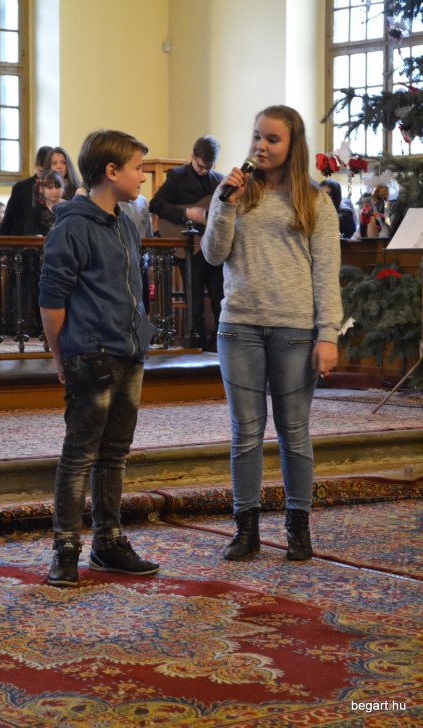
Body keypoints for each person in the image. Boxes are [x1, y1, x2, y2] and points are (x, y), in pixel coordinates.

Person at [201, 105, 342, 562]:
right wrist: (225, 205)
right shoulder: (235, 191)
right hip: (239, 326)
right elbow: (212, 254)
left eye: (272, 139)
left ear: (292, 145)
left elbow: (326, 274)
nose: (261, 146)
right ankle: (246, 529)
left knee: (294, 432)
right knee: (245, 432)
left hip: (295, 330)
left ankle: (298, 527)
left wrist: (328, 334)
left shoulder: (315, 201)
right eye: (257, 136)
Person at [39, 129, 158, 587]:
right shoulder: (72, 225)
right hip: (91, 356)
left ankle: (107, 543)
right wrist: (60, 357)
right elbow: (51, 300)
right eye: (138, 168)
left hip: (129, 352)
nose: (143, 177)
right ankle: (66, 547)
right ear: (111, 171)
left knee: (115, 454)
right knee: (80, 455)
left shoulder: (124, 222)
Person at [149, 135, 224, 350]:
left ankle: (218, 349)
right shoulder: (177, 176)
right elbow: (156, 204)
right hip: (189, 249)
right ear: (192, 156)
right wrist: (186, 214)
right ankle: (195, 349)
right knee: (194, 305)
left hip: (213, 250)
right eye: (200, 166)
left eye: (208, 167)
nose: (203, 171)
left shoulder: (219, 181)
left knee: (220, 301)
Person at [0, 145, 52, 235]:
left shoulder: (60, 188)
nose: (44, 176)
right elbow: (8, 220)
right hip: (24, 238)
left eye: (47, 171)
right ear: (36, 166)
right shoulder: (20, 188)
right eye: (41, 171)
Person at [24, 170, 64, 236]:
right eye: (50, 188)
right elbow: (28, 233)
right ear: (41, 189)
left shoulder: (70, 207)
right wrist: (36, 237)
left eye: (57, 187)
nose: (54, 191)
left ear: (62, 188)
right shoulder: (36, 210)